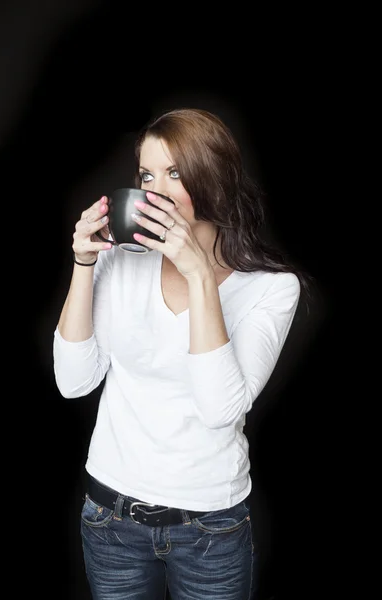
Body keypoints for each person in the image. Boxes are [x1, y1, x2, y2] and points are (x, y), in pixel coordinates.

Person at [53, 107, 311, 600]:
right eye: (148, 175)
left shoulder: (273, 289)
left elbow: (219, 409)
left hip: (210, 527)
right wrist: (83, 263)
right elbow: (73, 381)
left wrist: (197, 274)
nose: (158, 190)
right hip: (109, 517)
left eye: (176, 173)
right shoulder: (120, 262)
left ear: (215, 177)